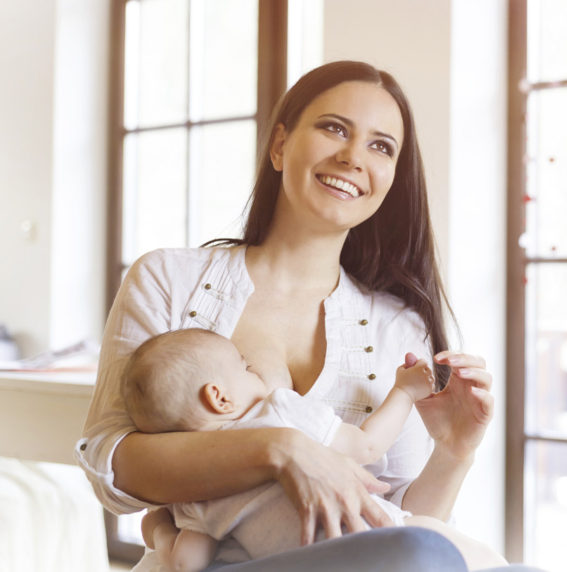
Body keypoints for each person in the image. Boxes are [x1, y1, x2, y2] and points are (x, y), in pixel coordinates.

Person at [75, 60, 511, 572]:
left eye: (381, 146)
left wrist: (455, 450)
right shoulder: (168, 278)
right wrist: (279, 448)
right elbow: (114, 464)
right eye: (334, 128)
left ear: (392, 179)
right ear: (280, 145)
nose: (352, 157)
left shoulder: (401, 325)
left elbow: (401, 530)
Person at [122, 328, 508, 571]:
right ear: (219, 397)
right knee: (479, 558)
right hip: (382, 540)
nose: (254, 370)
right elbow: (366, 445)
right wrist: (404, 391)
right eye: (243, 366)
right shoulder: (276, 409)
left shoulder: (191, 493)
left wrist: (157, 529)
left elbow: (188, 564)